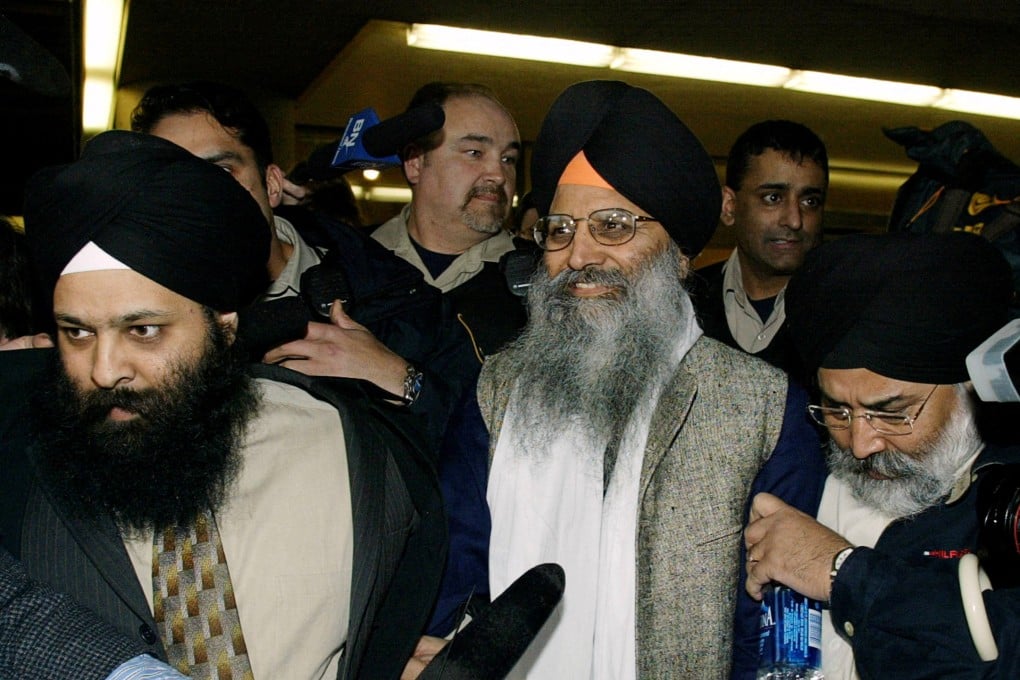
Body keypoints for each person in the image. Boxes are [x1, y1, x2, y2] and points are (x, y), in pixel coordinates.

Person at [0, 131, 443, 680]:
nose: (104, 368)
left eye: (142, 330)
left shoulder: (354, 451)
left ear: (223, 326)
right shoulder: (17, 466)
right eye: (77, 333)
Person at [434, 80, 826, 678]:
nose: (580, 255)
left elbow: (777, 629)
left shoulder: (763, 410)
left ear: (678, 253)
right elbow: (456, 569)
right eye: (560, 229)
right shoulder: (500, 389)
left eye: (613, 225)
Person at [131, 80, 476, 447]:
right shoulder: (134, 323)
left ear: (273, 184)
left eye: (221, 173)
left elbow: (485, 446)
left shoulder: (391, 295)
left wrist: (402, 380)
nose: (199, 199)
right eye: (172, 182)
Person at [743, 231, 1020, 679]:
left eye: (891, 413)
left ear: (969, 390)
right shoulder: (800, 475)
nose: (859, 443)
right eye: (837, 409)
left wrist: (841, 573)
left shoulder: (1009, 505)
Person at [371, 82, 528, 358]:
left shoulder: (540, 284)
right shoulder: (351, 261)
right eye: (474, 153)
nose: (499, 174)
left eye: (508, 158)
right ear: (415, 162)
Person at [691, 120, 828, 384]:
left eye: (810, 201)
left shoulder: (845, 313)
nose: (794, 220)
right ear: (729, 207)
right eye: (773, 198)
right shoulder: (682, 303)